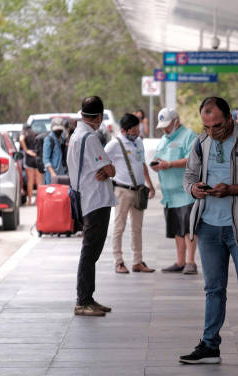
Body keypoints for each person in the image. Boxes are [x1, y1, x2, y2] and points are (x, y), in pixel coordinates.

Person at [180, 96, 238, 366]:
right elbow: (189, 176)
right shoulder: (201, 142)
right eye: (207, 126)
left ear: (230, 117)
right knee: (213, 288)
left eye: (217, 125)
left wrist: (232, 189)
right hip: (209, 227)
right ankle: (210, 345)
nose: (212, 131)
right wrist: (193, 189)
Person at [67, 96, 117, 317]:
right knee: (90, 251)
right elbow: (111, 170)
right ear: (98, 117)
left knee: (90, 251)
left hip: (86, 198)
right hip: (95, 200)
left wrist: (106, 168)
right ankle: (83, 301)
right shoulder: (90, 137)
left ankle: (88, 297)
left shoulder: (77, 136)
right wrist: (108, 168)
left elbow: (105, 169)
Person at [105, 113, 156, 274]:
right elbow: (101, 163)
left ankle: (137, 261)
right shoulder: (114, 144)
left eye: (137, 128)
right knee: (119, 227)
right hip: (122, 190)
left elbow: (142, 164)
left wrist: (151, 185)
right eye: (133, 129)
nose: (136, 132)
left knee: (137, 228)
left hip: (139, 190)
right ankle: (118, 262)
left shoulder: (139, 142)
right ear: (124, 130)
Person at [151, 108, 199, 274]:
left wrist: (170, 164)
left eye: (167, 124)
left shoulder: (189, 136)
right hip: (170, 195)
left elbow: (192, 160)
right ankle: (180, 262)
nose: (164, 128)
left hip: (185, 192)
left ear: (176, 121)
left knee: (188, 229)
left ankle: (191, 262)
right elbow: (159, 157)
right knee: (177, 229)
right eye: (162, 126)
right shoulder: (164, 139)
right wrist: (157, 165)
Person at [19, 124, 42, 205]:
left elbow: (21, 139)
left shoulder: (24, 133)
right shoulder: (36, 133)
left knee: (30, 181)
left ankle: (29, 201)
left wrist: (26, 150)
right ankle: (38, 201)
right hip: (38, 157)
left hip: (29, 158)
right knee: (39, 182)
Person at [43, 117, 67, 184]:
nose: (58, 131)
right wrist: (53, 174)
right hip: (52, 175)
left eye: (60, 129)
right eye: (57, 129)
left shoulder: (62, 139)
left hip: (62, 173)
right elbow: (46, 159)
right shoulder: (49, 139)